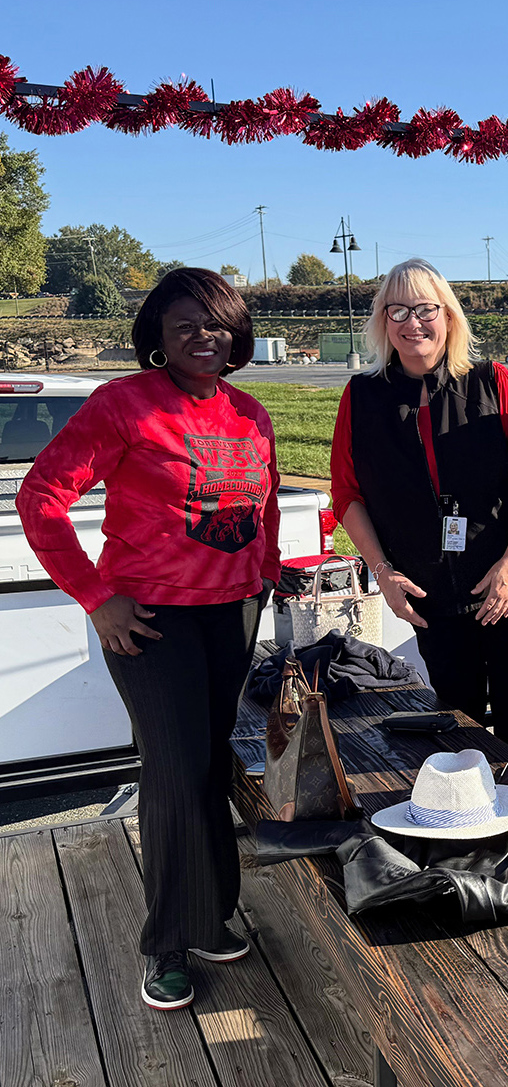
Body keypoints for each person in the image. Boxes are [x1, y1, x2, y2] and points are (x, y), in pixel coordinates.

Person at [16, 268, 281, 1011]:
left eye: (217, 324)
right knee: (173, 772)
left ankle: (210, 915)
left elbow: (262, 509)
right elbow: (42, 498)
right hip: (151, 619)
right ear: (158, 336)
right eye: (185, 325)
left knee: (211, 766)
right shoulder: (122, 404)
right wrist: (97, 598)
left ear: (237, 334)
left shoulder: (249, 412)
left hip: (231, 613)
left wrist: (265, 575)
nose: (204, 337)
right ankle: (167, 943)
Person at [330, 258, 508, 762]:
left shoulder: (492, 380)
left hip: (506, 581)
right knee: (456, 713)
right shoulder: (362, 397)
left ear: (448, 316)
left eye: (425, 309)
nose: (413, 322)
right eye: (398, 310)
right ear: (383, 322)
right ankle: (464, 807)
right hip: (428, 589)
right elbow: (346, 494)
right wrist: (382, 573)